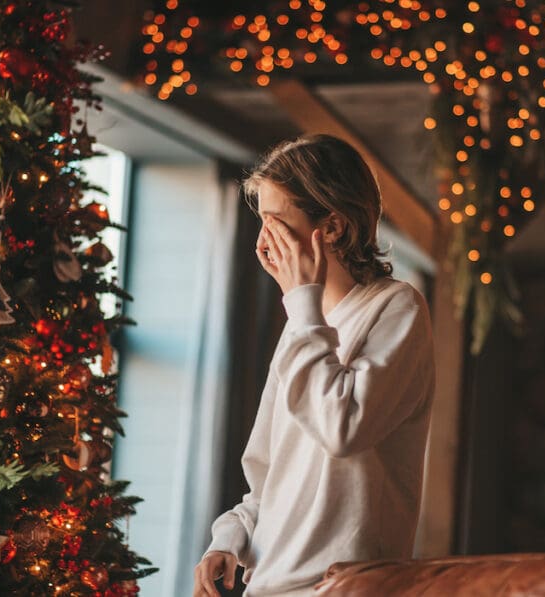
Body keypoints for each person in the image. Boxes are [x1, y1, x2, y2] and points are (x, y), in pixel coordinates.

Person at [193, 134, 435, 597]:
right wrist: (228, 539)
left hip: (343, 587)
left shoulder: (397, 308)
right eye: (260, 221)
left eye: (277, 223)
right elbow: (268, 475)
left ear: (335, 228)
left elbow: (343, 429)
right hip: (266, 585)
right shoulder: (300, 326)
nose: (263, 242)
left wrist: (302, 305)